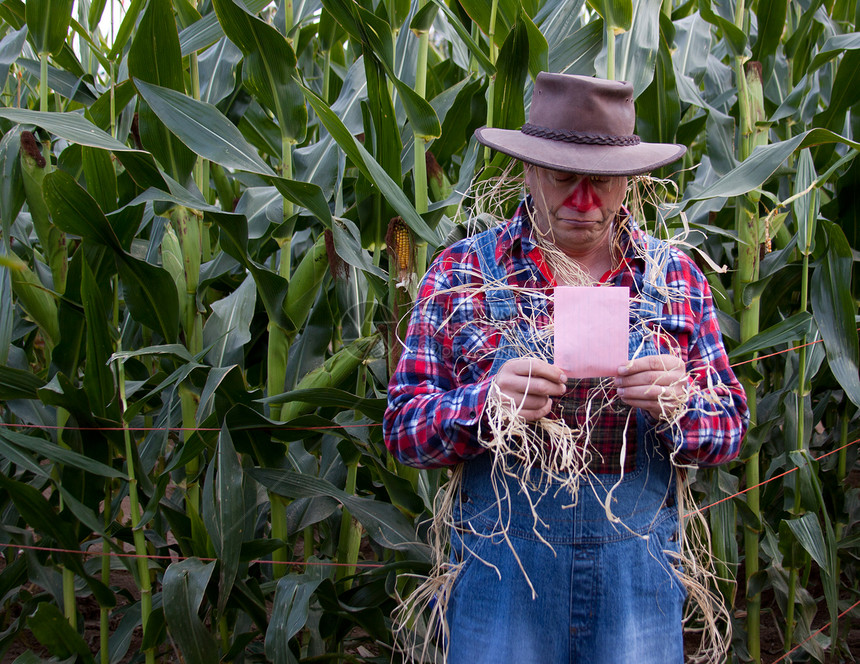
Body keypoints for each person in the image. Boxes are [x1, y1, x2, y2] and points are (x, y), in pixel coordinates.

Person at [384, 73, 748, 664]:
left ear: (630, 182)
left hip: (636, 580)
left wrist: (681, 405)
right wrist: (484, 406)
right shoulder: (461, 275)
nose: (584, 202)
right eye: (563, 178)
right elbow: (402, 431)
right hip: (504, 577)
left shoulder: (674, 278)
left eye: (603, 182)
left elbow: (730, 428)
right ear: (528, 171)